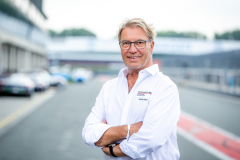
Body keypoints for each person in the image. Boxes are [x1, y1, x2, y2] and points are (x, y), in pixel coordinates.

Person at [82, 18, 180, 160]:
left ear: (151, 46)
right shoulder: (109, 88)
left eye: (139, 43)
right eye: (126, 43)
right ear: (120, 46)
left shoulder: (165, 87)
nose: (132, 49)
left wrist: (112, 148)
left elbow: (151, 139)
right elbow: (88, 133)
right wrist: (129, 130)